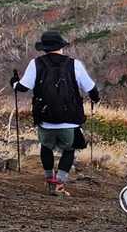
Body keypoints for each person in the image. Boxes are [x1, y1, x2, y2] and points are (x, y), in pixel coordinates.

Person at [12, 30, 99, 196]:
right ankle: (59, 183)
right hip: (70, 119)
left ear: (44, 48)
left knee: (46, 147)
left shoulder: (35, 64)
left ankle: (49, 179)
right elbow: (91, 89)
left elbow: (22, 87)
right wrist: (96, 99)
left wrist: (14, 83)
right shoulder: (74, 64)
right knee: (69, 149)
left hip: (45, 118)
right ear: (61, 47)